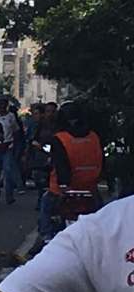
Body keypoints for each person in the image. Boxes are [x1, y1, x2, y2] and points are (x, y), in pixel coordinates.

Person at [0, 196, 134, 292]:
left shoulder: (99, 232)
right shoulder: (98, 234)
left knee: (46, 206)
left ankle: (45, 234)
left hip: (64, 190)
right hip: (86, 189)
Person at [38, 101, 103, 243]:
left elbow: (62, 166)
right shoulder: (93, 136)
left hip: (64, 189)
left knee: (45, 206)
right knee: (100, 216)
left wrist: (63, 185)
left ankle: (47, 237)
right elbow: (101, 159)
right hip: (90, 187)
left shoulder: (60, 138)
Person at [0, 98, 20, 205]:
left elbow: (16, 130)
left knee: (8, 171)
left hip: (8, 146)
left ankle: (9, 196)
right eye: (0, 105)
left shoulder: (11, 117)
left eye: (4, 105)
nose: (2, 107)